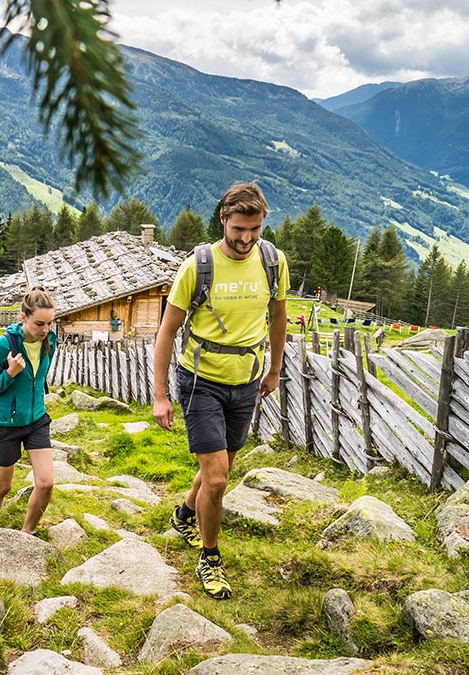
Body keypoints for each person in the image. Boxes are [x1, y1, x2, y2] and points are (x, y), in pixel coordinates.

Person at [152, 182, 289, 599]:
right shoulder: (198, 266)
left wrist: (275, 369)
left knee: (221, 466)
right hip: (201, 382)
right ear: (223, 220)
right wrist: (160, 395)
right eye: (239, 229)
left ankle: (183, 514)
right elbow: (166, 332)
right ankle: (209, 558)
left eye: (256, 229)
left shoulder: (272, 261)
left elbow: (279, 317)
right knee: (218, 478)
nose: (247, 239)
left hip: (247, 381)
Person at [0, 286, 59, 534]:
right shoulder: (3, 346)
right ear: (23, 317)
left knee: (46, 483)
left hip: (36, 419)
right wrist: (10, 374)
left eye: (50, 324)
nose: (45, 330)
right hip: (5, 425)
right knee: (2, 488)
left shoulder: (50, 341)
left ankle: (26, 534)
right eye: (39, 324)